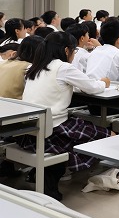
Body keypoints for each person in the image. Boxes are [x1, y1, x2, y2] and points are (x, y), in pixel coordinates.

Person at [21, 32, 111, 200]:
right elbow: (92, 87)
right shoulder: (63, 67)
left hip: (31, 129)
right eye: (74, 51)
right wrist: (104, 82)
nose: (74, 55)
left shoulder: (35, 66)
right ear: (66, 50)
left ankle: (51, 173)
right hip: (56, 129)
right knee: (107, 135)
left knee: (85, 126)